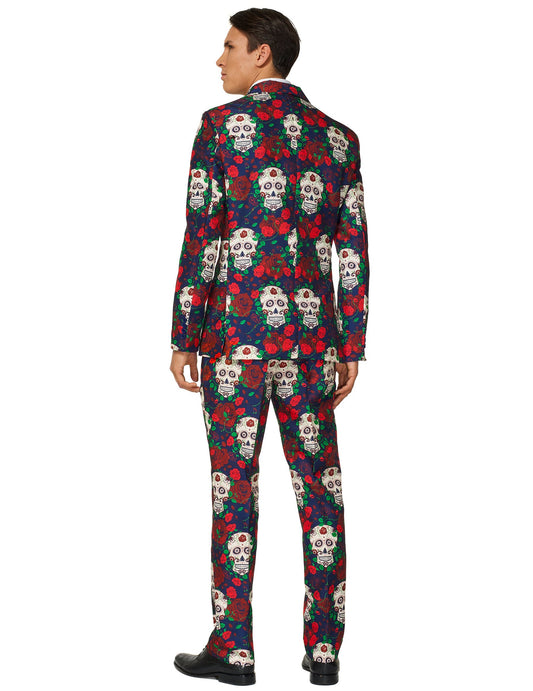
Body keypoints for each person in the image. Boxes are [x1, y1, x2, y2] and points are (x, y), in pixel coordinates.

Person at [169, 7, 369, 686]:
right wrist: (351, 345)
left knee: (235, 491)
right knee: (320, 491)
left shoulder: (218, 127)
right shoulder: (339, 139)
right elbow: (353, 251)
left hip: (234, 341)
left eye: (229, 46)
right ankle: (324, 650)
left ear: (261, 54)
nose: (218, 59)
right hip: (313, 344)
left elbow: (204, 234)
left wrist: (183, 333)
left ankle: (234, 649)